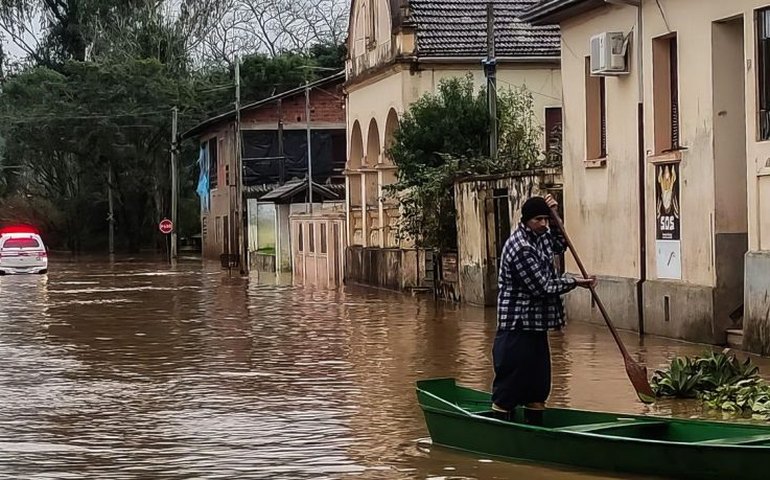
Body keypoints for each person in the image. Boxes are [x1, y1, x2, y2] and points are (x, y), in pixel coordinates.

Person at [491, 194, 596, 425]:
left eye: (545, 219)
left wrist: (557, 216)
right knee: (510, 386)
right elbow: (542, 287)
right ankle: (500, 428)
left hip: (537, 325)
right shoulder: (520, 248)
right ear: (527, 220)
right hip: (516, 326)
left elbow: (561, 243)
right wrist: (576, 282)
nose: (543, 224)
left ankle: (535, 427)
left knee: (538, 387)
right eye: (539, 219)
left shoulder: (543, 235)